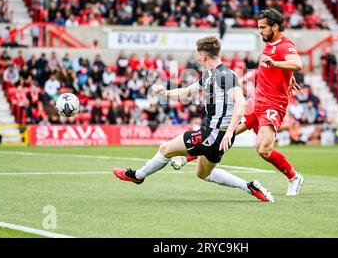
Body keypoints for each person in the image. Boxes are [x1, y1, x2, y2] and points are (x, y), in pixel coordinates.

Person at [113, 36, 275, 202]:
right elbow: (187, 92)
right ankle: (250, 187)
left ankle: (138, 175)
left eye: (198, 55)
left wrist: (229, 132)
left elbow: (241, 103)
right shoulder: (210, 75)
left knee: (165, 149)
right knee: (203, 173)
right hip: (217, 135)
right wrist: (165, 93)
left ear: (203, 56)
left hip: (214, 134)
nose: (198, 58)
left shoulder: (224, 75)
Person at [170, 9, 305, 196]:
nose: (260, 31)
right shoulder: (269, 45)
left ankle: (294, 177)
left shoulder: (285, 45)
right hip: (256, 101)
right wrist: (285, 76)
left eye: (263, 27)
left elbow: (297, 63)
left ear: (275, 26)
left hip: (274, 105)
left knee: (263, 149)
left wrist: (277, 64)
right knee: (225, 131)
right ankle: (187, 158)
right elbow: (270, 69)